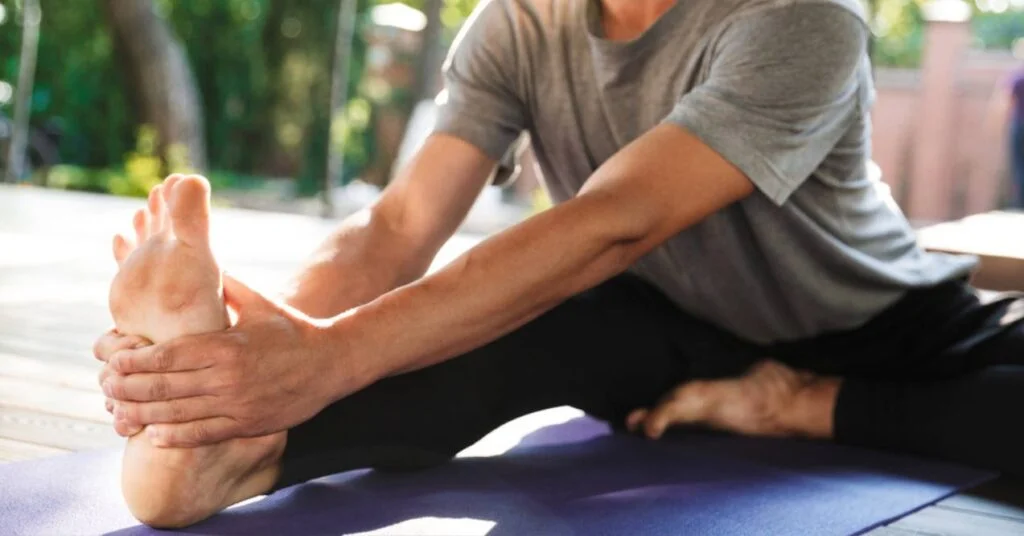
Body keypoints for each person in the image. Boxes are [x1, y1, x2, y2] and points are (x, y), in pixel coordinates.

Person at [93, 0, 1024, 528]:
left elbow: (618, 217)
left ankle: (799, 404)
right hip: (659, 323)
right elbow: (402, 222)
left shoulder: (801, 19)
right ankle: (233, 455)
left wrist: (327, 359)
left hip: (887, 330)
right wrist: (252, 351)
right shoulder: (515, 25)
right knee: (494, 329)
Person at [1010, 60, 1024, 207]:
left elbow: (1004, 102)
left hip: (1019, 125)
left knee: (1019, 163)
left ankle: (1020, 201)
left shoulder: (1018, 77)